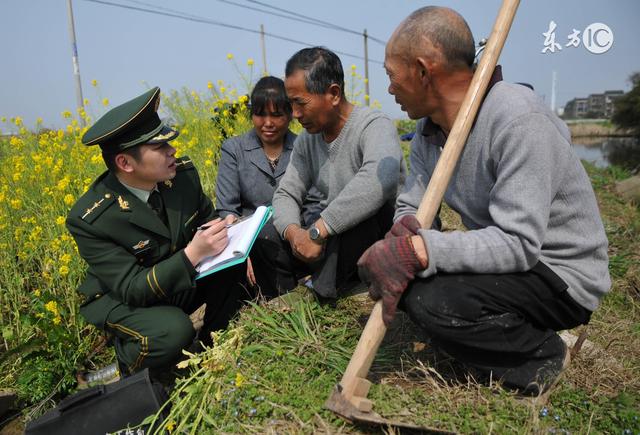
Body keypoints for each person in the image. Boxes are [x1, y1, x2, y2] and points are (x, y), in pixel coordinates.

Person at [358, 6, 611, 396]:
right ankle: (512, 325)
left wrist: (420, 252)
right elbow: (414, 205)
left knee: (434, 301)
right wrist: (404, 234)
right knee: (405, 282)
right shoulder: (430, 131)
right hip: (510, 261)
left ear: (424, 71)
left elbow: (518, 244)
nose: (390, 89)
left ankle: (542, 354)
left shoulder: (517, 119)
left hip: (557, 272)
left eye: (392, 77)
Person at [66, 87, 252, 376]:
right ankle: (125, 367)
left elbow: (206, 218)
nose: (172, 151)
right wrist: (193, 254)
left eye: (169, 143)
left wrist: (228, 234)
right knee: (171, 331)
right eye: (159, 148)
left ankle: (209, 347)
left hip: (175, 277)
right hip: (121, 298)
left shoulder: (181, 178)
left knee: (235, 267)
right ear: (125, 163)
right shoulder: (92, 218)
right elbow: (132, 288)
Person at [267, 46, 406, 300]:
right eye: (291, 104)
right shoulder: (307, 141)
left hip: (377, 229)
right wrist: (294, 233)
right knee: (269, 234)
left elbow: (378, 181)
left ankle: (318, 295)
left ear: (333, 94)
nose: (295, 114)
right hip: (331, 234)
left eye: (301, 103)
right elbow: (286, 193)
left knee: (356, 219)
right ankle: (283, 298)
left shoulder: (373, 125)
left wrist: (319, 230)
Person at [215, 76, 323, 293]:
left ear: (291, 113)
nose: (267, 123)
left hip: (297, 236)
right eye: (260, 114)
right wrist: (240, 251)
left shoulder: (305, 146)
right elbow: (228, 209)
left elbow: (313, 202)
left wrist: (305, 236)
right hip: (256, 245)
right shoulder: (234, 149)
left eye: (276, 115)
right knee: (266, 235)